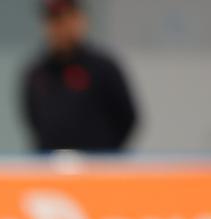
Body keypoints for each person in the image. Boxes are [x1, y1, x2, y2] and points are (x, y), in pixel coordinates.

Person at [21, 0, 138, 152]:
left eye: (67, 18)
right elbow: (33, 119)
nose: (61, 28)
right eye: (54, 20)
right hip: (50, 162)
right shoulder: (36, 73)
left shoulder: (103, 68)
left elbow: (126, 118)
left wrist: (106, 154)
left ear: (80, 20)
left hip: (97, 163)